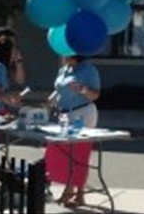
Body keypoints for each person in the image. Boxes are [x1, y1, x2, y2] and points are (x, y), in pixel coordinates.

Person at [45, 54, 101, 207]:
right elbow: (59, 90)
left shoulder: (89, 70)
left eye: (65, 53)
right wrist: (48, 102)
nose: (62, 55)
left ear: (75, 55)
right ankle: (72, 191)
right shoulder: (64, 69)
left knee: (80, 152)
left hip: (83, 112)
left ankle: (77, 192)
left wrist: (82, 89)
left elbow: (95, 94)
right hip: (65, 115)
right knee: (64, 152)